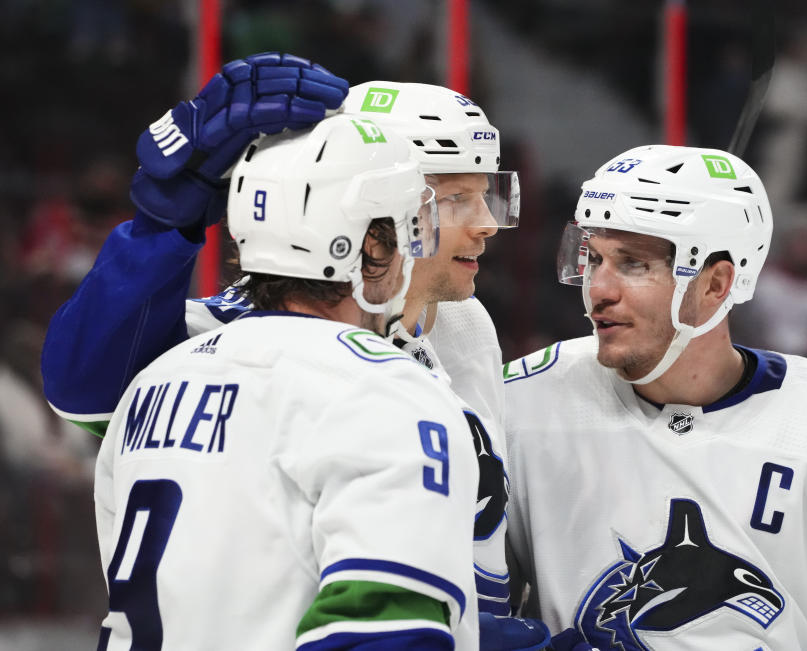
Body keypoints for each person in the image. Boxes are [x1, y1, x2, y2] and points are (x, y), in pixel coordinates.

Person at [40, 55, 518, 619]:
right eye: (457, 198)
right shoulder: (236, 343)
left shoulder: (465, 323)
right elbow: (81, 389)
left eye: (487, 194)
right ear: (374, 210)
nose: (486, 222)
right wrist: (160, 228)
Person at [503, 145, 807, 649]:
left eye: (633, 264)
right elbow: (471, 614)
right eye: (594, 258)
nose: (598, 290)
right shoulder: (522, 403)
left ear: (716, 284)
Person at [94, 114, 479, 649]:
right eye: (413, 225)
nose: (419, 244)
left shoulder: (154, 381)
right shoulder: (389, 390)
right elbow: (381, 635)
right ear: (370, 246)